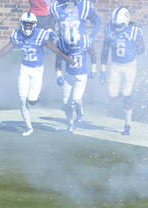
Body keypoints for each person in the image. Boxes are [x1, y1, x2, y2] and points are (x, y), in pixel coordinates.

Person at [0, 12, 75, 136]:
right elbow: (5, 50)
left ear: (34, 25)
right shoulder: (16, 35)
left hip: (37, 70)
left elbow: (55, 50)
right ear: (21, 24)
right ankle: (29, 127)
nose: (27, 27)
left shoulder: (40, 35)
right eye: (26, 25)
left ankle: (37, 96)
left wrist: (68, 60)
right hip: (25, 69)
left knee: (32, 100)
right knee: (22, 99)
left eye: (30, 25)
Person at [100, 7, 145, 136]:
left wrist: (133, 49)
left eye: (120, 25)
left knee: (127, 95)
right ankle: (123, 97)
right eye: (115, 25)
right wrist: (102, 70)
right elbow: (105, 49)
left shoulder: (134, 31)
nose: (117, 27)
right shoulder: (109, 29)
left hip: (130, 66)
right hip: (115, 65)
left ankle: (127, 124)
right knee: (112, 95)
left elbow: (142, 49)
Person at [55, 26, 96, 133]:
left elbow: (93, 54)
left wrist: (94, 69)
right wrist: (59, 75)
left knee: (76, 100)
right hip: (69, 75)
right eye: (70, 45)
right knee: (65, 102)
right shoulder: (61, 43)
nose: (72, 46)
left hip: (81, 76)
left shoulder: (85, 40)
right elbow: (58, 61)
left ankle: (79, 110)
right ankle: (70, 124)